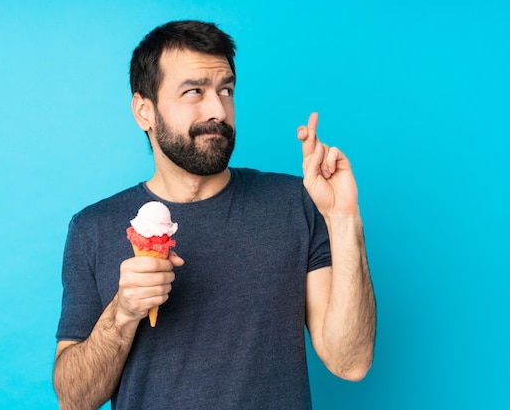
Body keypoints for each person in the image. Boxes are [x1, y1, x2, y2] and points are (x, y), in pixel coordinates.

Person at [53, 20, 376, 410]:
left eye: (226, 90)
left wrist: (344, 219)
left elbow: (351, 362)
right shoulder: (94, 228)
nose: (218, 110)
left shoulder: (295, 202)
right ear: (144, 111)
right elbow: (74, 400)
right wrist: (122, 313)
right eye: (194, 91)